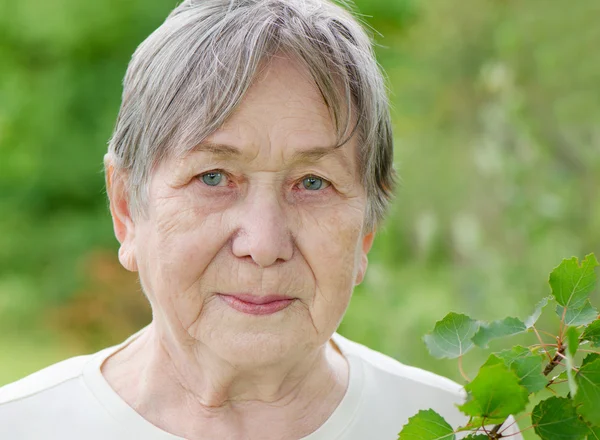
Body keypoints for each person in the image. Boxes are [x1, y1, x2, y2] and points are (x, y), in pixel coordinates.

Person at [0, 0, 474, 438]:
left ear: (366, 231)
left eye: (312, 182)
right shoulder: (22, 426)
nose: (264, 243)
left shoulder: (463, 427)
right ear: (126, 206)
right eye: (213, 177)